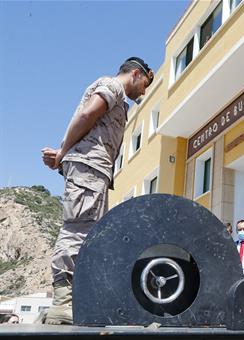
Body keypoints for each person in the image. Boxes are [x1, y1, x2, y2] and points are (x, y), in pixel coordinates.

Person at [41, 57, 154, 325]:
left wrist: (63, 154)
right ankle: (62, 303)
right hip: (89, 168)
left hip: (95, 171)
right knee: (77, 230)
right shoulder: (112, 86)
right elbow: (86, 115)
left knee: (88, 233)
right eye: (145, 85)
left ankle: (72, 300)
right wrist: (62, 153)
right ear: (136, 74)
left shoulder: (117, 96)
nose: (144, 92)